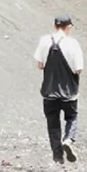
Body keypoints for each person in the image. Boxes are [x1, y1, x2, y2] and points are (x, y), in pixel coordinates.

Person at [33, 15, 83, 163]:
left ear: (55, 26)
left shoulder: (44, 40)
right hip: (69, 92)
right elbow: (78, 69)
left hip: (49, 92)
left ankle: (57, 157)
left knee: (53, 124)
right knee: (72, 117)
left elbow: (40, 65)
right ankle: (68, 139)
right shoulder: (73, 44)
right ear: (69, 27)